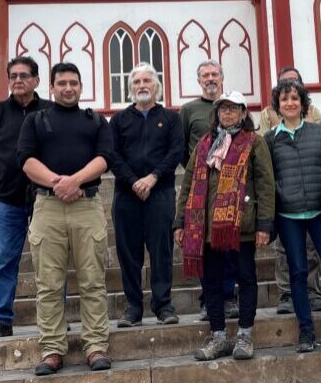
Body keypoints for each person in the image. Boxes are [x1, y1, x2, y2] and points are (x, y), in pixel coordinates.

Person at [18, 62, 114, 376]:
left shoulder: (95, 121)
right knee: (48, 284)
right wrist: (58, 183)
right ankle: (51, 349)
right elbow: (27, 161)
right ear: (51, 87)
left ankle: (96, 346)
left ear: (81, 87)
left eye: (74, 82)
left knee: (92, 281)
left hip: (87, 207)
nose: (68, 88)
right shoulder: (35, 120)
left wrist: (75, 181)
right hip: (47, 208)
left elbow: (104, 158)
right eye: (62, 83)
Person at [174, 91, 275, 361]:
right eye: (223, 109)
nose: (227, 113)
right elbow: (188, 185)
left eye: (233, 109)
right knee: (212, 282)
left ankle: (244, 333)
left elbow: (266, 185)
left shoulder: (254, 142)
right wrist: (180, 222)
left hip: (241, 224)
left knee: (246, 277)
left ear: (243, 112)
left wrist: (265, 224)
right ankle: (218, 335)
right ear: (216, 113)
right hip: (205, 227)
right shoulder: (205, 144)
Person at [264, 80, 321, 352]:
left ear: (303, 103)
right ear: (277, 106)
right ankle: (306, 330)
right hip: (288, 215)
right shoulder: (270, 139)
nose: (290, 103)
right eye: (284, 99)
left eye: (295, 98)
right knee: (298, 272)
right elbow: (268, 180)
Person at [0, 56, 52, 339]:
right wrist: (0, 178)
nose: (18, 80)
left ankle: (54, 315)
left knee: (50, 259)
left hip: (46, 199)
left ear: (36, 80)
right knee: (6, 260)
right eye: (13, 76)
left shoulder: (49, 111)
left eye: (24, 75)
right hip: (9, 201)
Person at [110, 63, 184, 328]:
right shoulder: (119, 120)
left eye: (147, 81)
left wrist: (152, 178)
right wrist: (134, 182)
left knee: (161, 251)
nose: (142, 85)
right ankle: (133, 308)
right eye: (137, 82)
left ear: (156, 86)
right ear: (130, 89)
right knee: (128, 253)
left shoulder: (171, 118)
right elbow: (112, 155)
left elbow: (175, 152)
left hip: (160, 193)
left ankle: (163, 305)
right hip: (126, 196)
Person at [258, 66, 321, 315]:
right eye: (284, 85)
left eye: (294, 83)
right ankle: (286, 294)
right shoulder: (266, 114)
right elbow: (266, 143)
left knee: (311, 248)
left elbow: (313, 136)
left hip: (310, 190)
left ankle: (314, 292)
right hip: (284, 192)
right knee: (284, 250)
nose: (289, 91)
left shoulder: (314, 112)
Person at [179, 60, 239, 319]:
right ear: (199, 80)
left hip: (231, 188)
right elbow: (182, 147)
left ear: (222, 77)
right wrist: (200, 173)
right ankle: (209, 299)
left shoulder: (233, 106)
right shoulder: (189, 110)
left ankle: (228, 296)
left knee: (227, 244)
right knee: (203, 245)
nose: (211, 78)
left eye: (215, 74)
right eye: (205, 75)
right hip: (201, 188)